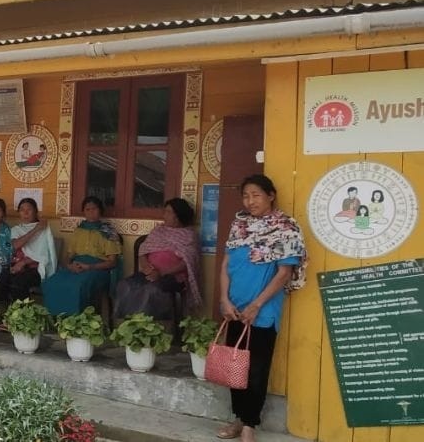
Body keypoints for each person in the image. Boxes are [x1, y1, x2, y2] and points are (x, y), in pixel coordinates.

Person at [217, 174, 306, 442]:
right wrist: (224, 299)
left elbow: (284, 273)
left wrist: (257, 305)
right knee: (235, 367)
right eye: (246, 195)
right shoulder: (239, 225)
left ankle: (249, 425)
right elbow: (225, 265)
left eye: (256, 195)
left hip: (263, 310)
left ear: (271, 195)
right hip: (234, 308)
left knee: (256, 368)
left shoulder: (285, 227)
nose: (250, 201)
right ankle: (237, 418)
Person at [114, 198, 202, 319]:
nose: (164, 215)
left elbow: (188, 262)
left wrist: (161, 273)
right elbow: (143, 251)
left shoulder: (189, 235)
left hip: (173, 277)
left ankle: (142, 326)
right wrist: (145, 266)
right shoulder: (158, 231)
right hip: (149, 272)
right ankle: (122, 322)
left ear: (177, 216)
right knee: (124, 285)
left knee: (150, 290)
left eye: (168, 212)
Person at [42, 196, 122, 316]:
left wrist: (89, 267)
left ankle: (78, 322)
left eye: (94, 209)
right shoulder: (79, 230)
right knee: (53, 282)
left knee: (78, 286)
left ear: (100, 210)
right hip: (77, 266)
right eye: (87, 210)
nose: (90, 212)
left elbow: (112, 262)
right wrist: (69, 266)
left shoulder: (108, 231)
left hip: (98, 269)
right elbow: (68, 256)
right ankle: (56, 320)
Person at [0, 197, 57, 304]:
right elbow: (15, 245)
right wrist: (35, 230)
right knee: (0, 279)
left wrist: (23, 262)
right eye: (22, 210)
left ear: (35, 212)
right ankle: (6, 312)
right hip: (16, 265)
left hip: (36, 269)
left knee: (19, 282)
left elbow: (44, 255)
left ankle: (23, 314)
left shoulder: (44, 230)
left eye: (29, 209)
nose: (25, 213)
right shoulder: (16, 230)